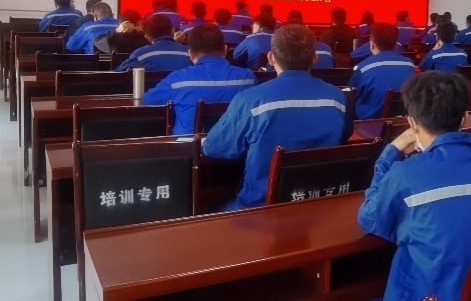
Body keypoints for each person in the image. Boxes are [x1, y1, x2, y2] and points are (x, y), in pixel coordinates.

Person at [357, 71, 471, 301]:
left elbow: (370, 218)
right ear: (464, 118)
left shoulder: (405, 173)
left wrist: (390, 154)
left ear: (411, 123)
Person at [203, 25, 351, 210]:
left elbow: (214, 148)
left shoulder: (250, 100)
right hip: (319, 202)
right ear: (315, 58)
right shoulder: (337, 98)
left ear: (271, 58)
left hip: (261, 207)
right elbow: (344, 135)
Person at [143, 23, 257, 135]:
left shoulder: (177, 80)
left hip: (189, 145)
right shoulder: (248, 78)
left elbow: (147, 100)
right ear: (225, 49)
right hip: (235, 145)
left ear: (190, 54)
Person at [349, 23, 417, 119]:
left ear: (372, 43)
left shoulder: (363, 68)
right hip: (402, 120)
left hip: (369, 122)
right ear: (396, 44)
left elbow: (353, 93)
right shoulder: (410, 64)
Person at [115, 15, 192, 71]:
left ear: (147, 37)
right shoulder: (190, 53)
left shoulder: (140, 55)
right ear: (173, 30)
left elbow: (119, 72)